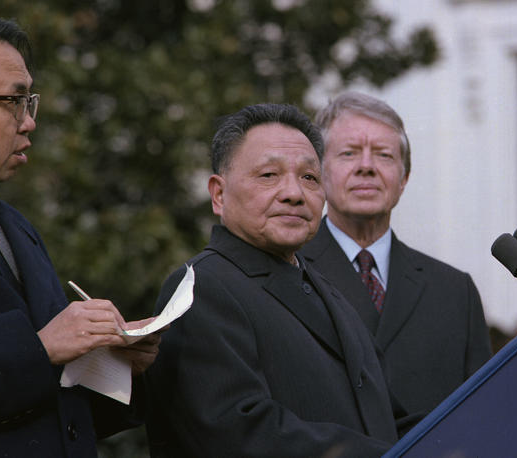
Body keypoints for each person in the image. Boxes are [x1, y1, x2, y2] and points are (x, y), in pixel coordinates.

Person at [146, 103, 415, 457]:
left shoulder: (324, 286)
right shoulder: (201, 288)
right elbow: (239, 433)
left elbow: (385, 418)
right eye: (268, 175)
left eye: (309, 177)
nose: (294, 193)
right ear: (219, 194)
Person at [0, 16, 161, 457]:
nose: (29, 122)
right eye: (12, 101)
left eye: (29, 101)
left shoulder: (14, 226)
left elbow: (53, 405)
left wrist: (116, 365)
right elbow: (40, 356)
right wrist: (41, 346)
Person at [300, 91, 492, 414]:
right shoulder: (288, 271)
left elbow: (484, 412)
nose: (366, 167)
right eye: (348, 153)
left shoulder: (455, 292)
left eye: (383, 155)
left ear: (403, 179)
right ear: (319, 174)